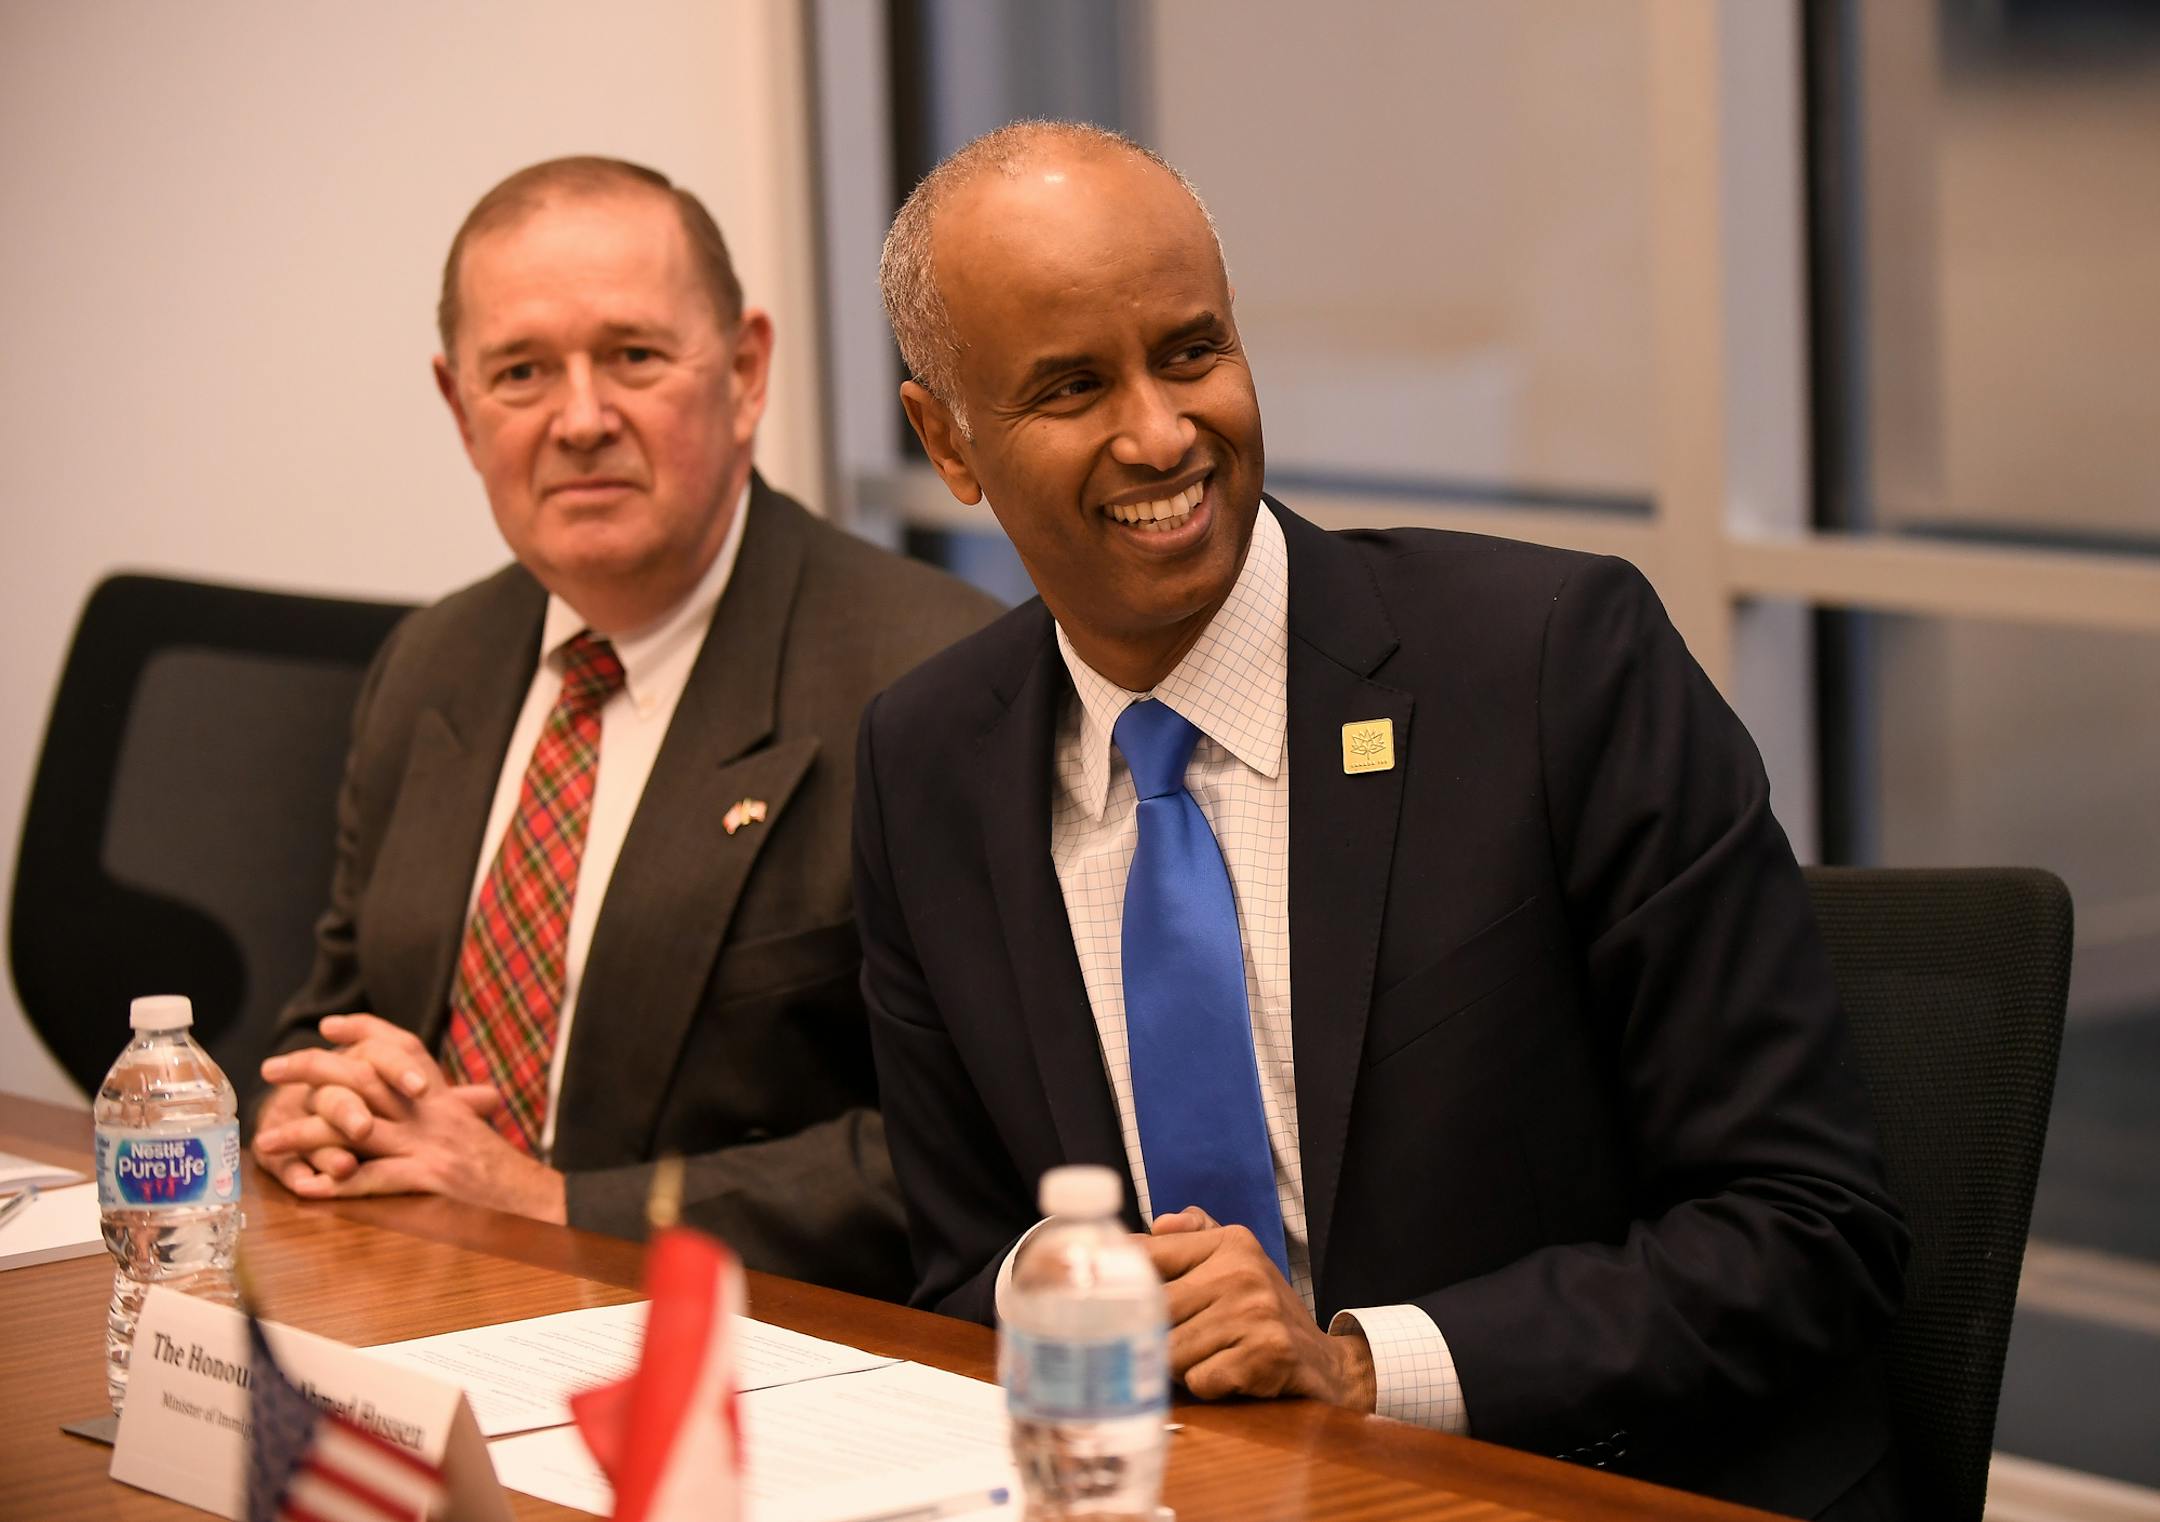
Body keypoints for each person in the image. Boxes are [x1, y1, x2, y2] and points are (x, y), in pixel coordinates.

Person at [854, 122, 1909, 1515]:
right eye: (1069, 387)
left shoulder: (1552, 666)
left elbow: (1807, 1229)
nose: (1163, 432)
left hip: (1562, 1483)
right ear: (948, 443)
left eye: (1191, 352)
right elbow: (961, 1253)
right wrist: (1062, 1282)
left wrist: (1357, 1367)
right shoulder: (928, 760)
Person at [247, 156, 999, 1299]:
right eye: (522, 372)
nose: (582, 419)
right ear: (460, 408)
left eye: (634, 358)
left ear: (746, 372)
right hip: (417, 1309)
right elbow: (336, 1014)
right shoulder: (431, 663)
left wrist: (554, 1206)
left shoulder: (933, 682)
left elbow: (976, 1152)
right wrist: (326, 1102)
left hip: (752, 1355)